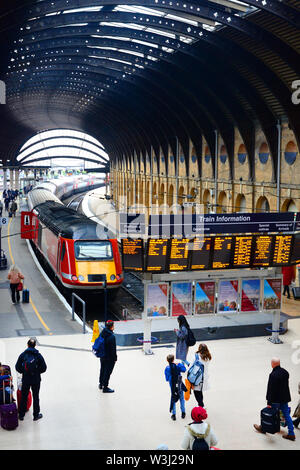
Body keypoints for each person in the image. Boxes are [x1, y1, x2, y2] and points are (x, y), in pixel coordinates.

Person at [253, 357, 295, 441]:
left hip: (276, 400)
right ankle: (291, 433)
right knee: (286, 415)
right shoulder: (285, 372)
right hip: (284, 398)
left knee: (269, 414)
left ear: (272, 364)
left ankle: (264, 428)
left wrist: (269, 401)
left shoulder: (273, 375)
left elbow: (271, 389)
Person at [15, 337, 47, 421]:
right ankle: (36, 415)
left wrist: (24, 372)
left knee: (24, 396)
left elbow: (17, 367)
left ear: (27, 345)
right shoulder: (38, 355)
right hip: (36, 380)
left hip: (26, 379)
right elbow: (44, 367)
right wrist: (37, 372)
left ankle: (21, 415)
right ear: (35, 345)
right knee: (36, 396)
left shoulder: (23, 355)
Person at [164, 354, 186, 421]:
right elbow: (184, 369)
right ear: (173, 360)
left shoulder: (167, 368)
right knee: (181, 397)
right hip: (179, 383)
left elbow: (167, 379)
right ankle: (183, 412)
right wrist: (179, 364)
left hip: (172, 385)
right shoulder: (177, 366)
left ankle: (174, 414)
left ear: (167, 360)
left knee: (173, 397)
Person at [99, 320, 117, 393]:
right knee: (108, 371)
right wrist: (115, 358)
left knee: (102, 369)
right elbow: (113, 350)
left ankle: (101, 384)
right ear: (112, 327)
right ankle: (105, 387)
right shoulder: (112, 337)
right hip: (109, 358)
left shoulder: (102, 333)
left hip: (102, 356)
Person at [193, 344, 212, 408]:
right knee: (199, 391)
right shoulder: (208, 357)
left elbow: (194, 365)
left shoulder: (197, 356)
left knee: (196, 391)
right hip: (204, 376)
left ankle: (201, 405)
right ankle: (201, 404)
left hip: (197, 376)